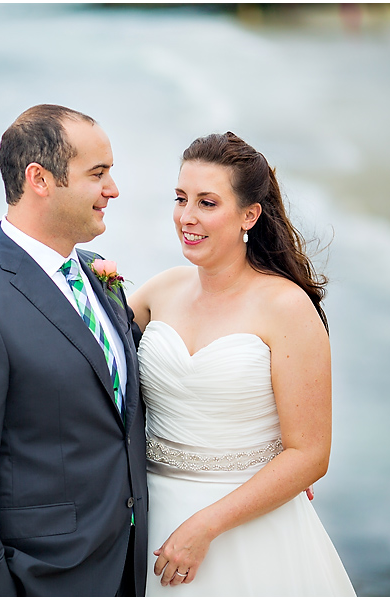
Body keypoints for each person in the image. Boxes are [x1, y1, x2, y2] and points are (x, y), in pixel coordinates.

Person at [0, 104, 148, 596]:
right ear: (40, 179)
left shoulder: (95, 274)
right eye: (98, 174)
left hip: (126, 570)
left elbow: (123, 411)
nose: (113, 190)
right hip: (39, 579)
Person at [128, 132, 355, 596]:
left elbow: (311, 454)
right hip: (152, 523)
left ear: (249, 215)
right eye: (180, 198)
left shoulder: (287, 308)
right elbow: (89, 368)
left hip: (244, 530)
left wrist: (203, 528)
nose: (186, 217)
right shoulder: (159, 291)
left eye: (207, 203)